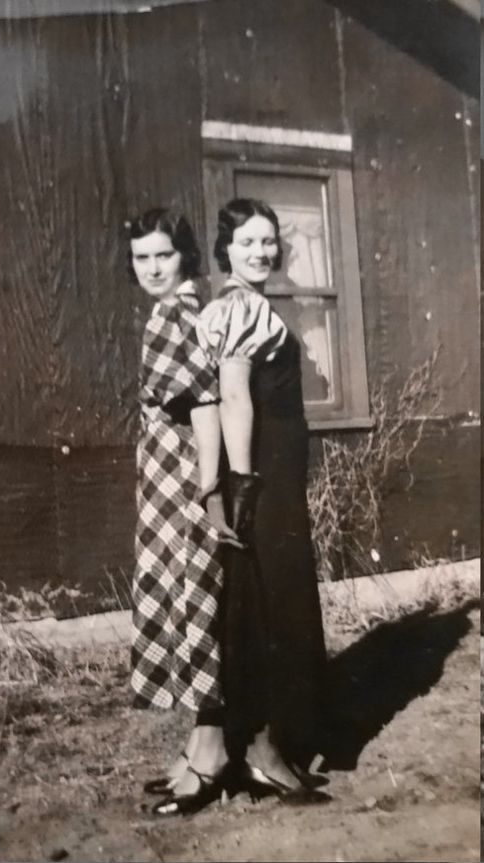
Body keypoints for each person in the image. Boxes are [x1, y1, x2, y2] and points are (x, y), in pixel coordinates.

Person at [196, 198, 329, 796]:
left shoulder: (251, 304)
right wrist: (244, 485)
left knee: (267, 600)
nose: (261, 252)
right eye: (248, 242)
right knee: (276, 601)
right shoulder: (241, 306)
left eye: (269, 241)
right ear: (225, 248)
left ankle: (256, 744)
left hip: (274, 474)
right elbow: (234, 399)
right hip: (263, 478)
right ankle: (264, 749)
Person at [127, 207, 241, 817]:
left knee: (196, 605)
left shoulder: (180, 313)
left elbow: (203, 407)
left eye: (162, 256)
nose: (151, 268)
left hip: (186, 484)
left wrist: (208, 490)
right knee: (185, 601)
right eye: (141, 257)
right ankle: (200, 744)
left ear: (185, 257)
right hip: (168, 480)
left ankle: (213, 754)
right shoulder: (169, 311)